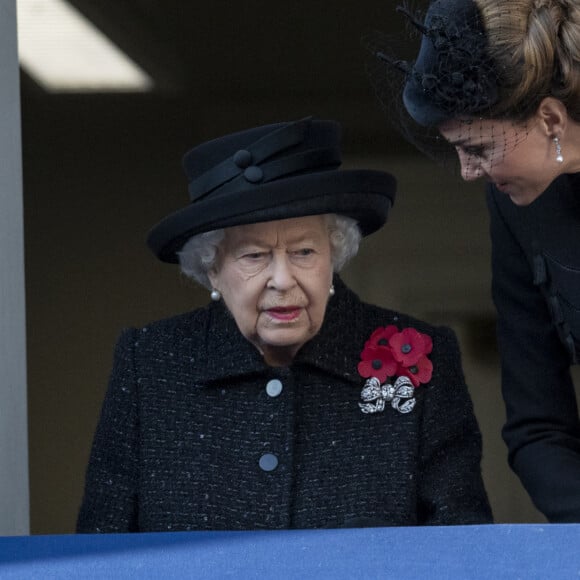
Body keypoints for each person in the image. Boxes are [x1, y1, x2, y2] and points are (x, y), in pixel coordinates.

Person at [76, 117, 492, 532]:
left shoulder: (422, 356)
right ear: (212, 269)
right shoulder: (151, 364)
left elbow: (461, 547)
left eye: (304, 251)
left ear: (335, 254)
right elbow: (98, 552)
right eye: (254, 256)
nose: (282, 279)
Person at [367, 0, 580, 522]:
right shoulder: (517, 207)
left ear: (550, 119)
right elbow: (537, 423)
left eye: (478, 148)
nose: (467, 172)